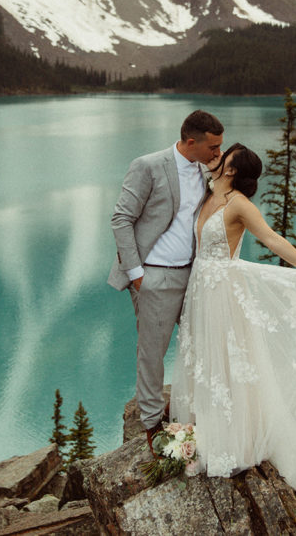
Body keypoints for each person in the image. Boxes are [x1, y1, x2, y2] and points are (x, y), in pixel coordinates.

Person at [170, 143, 296, 500]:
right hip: (200, 290)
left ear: (233, 169)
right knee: (202, 361)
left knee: (232, 364)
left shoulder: (239, 205)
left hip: (224, 293)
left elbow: (271, 239)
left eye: (225, 156)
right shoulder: (206, 194)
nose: (217, 158)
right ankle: (200, 432)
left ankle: (239, 441)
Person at [108, 110, 224, 453]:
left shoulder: (207, 171)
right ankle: (151, 424)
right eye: (213, 147)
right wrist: (137, 275)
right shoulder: (148, 165)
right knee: (152, 353)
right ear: (192, 142)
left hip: (194, 275)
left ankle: (195, 406)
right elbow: (121, 219)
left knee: (201, 341)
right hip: (154, 276)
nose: (218, 153)